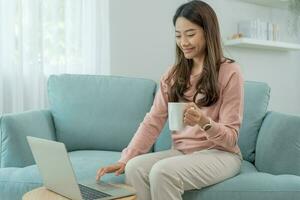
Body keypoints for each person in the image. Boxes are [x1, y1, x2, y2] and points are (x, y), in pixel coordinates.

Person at [96, 1, 244, 199]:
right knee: (134, 168)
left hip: (221, 153)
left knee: (162, 172)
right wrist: (126, 159)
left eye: (190, 34)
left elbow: (231, 138)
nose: (183, 42)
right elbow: (152, 121)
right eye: (178, 35)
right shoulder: (173, 76)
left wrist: (203, 122)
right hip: (183, 152)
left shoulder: (229, 72)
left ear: (208, 33)